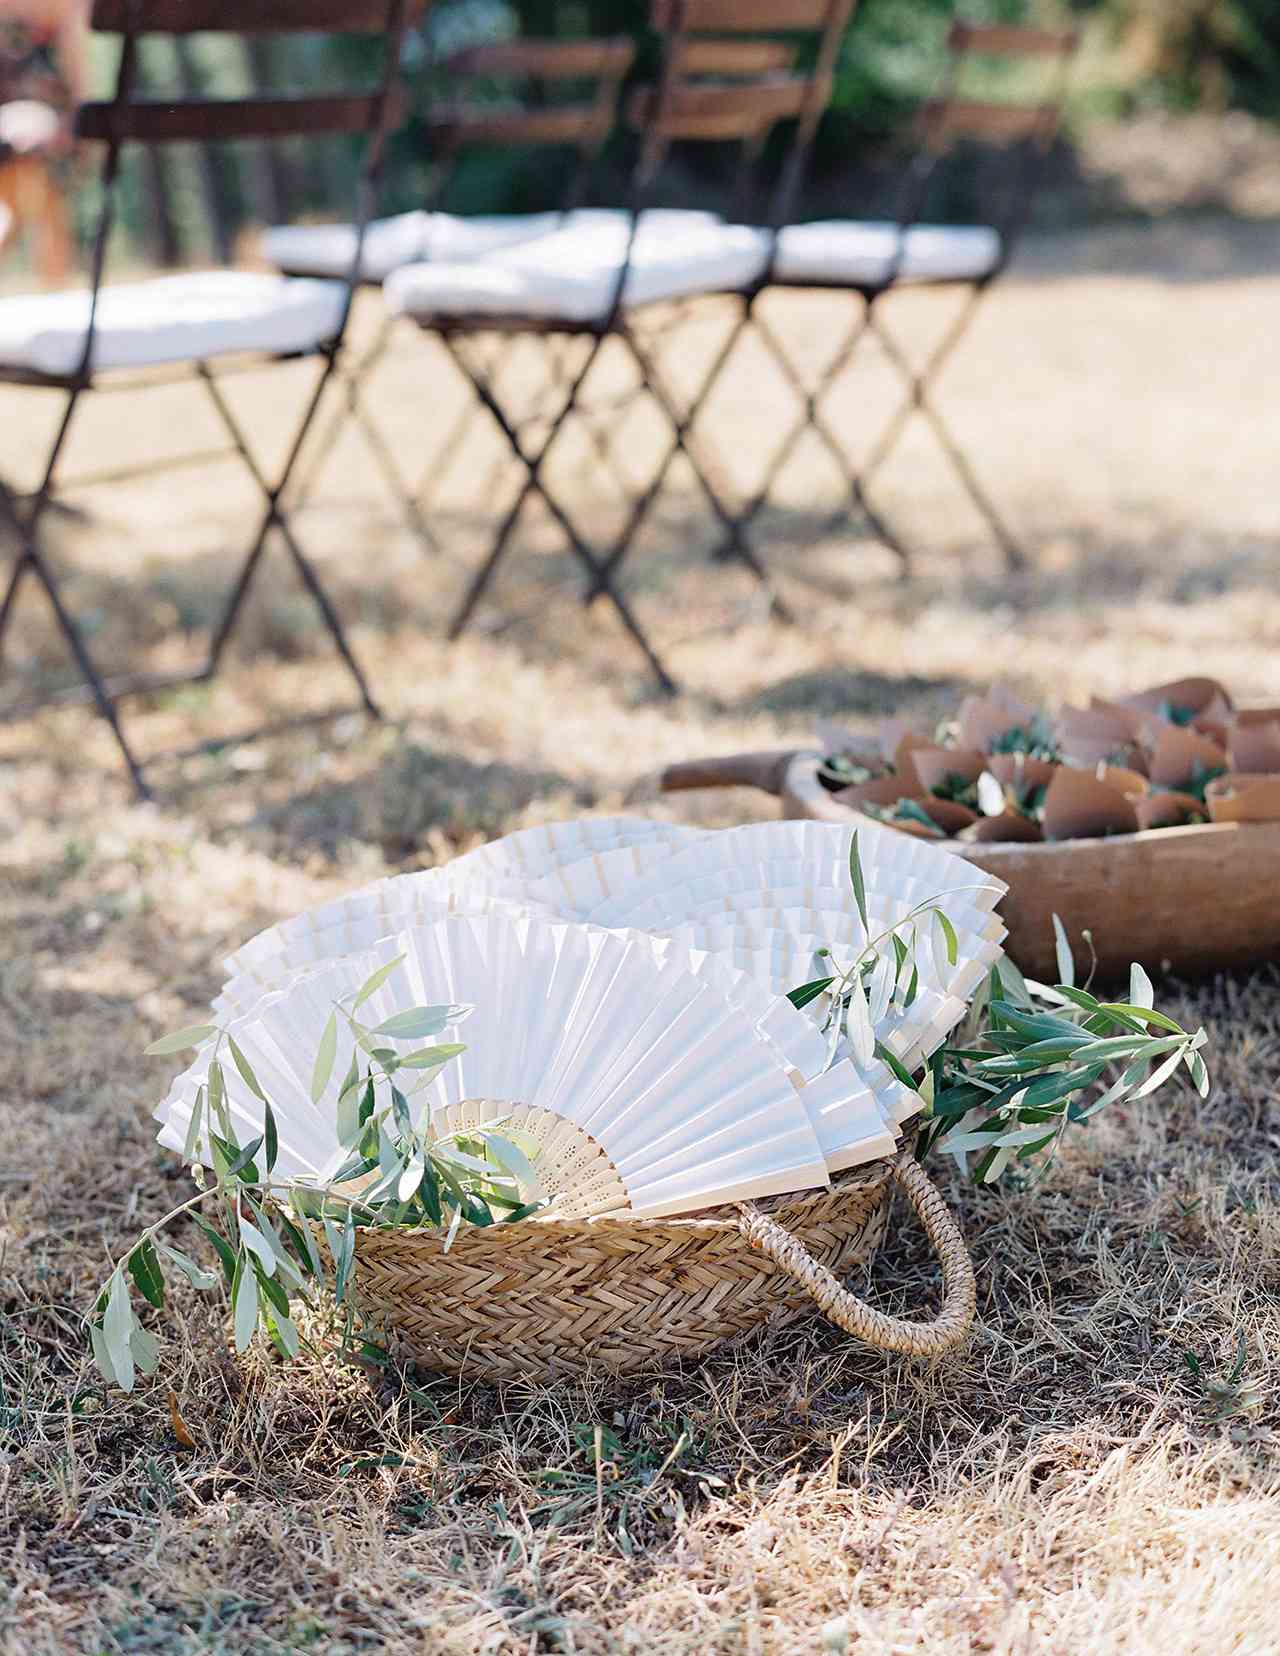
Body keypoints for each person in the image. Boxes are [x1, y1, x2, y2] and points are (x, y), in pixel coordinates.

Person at [0, 0, 88, 285]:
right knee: (32, 203)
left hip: (35, 129)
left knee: (25, 203)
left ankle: (54, 279)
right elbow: (76, 80)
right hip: (35, 129)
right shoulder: (62, 11)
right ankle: (55, 281)